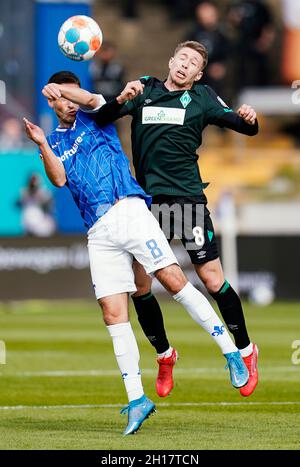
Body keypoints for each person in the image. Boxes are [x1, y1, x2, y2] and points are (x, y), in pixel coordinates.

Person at [24, 70, 249, 434]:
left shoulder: (97, 116)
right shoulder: (54, 139)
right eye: (59, 99)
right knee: (112, 313)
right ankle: (136, 399)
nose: (66, 103)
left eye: (71, 96)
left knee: (173, 280)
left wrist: (72, 92)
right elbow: (59, 180)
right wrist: (41, 144)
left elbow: (99, 102)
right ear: (51, 102)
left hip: (128, 209)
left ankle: (230, 351)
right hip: (97, 230)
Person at [93, 40, 260, 399]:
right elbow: (102, 118)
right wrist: (121, 98)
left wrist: (250, 116)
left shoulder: (202, 97)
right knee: (140, 285)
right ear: (171, 61)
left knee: (211, 278)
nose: (185, 65)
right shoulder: (144, 89)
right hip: (148, 203)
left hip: (187, 201)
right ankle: (165, 356)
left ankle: (246, 351)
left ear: (198, 74)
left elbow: (246, 128)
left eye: (193, 63)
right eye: (181, 58)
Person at [185, 1, 229, 98]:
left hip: (217, 75)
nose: (207, 18)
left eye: (210, 14)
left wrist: (222, 65)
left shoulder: (223, 35)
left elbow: (229, 53)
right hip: (198, 73)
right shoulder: (193, 34)